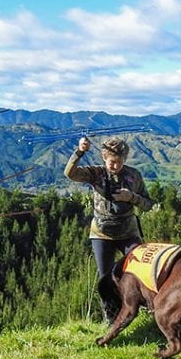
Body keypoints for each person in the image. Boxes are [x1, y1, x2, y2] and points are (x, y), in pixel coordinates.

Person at [64, 137, 153, 321]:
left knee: (142, 269)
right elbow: (70, 174)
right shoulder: (96, 173)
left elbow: (148, 204)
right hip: (101, 233)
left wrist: (131, 198)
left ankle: (147, 309)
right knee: (105, 277)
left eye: (120, 162)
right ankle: (111, 318)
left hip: (128, 231)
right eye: (112, 162)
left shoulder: (134, 176)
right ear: (104, 158)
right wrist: (80, 152)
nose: (115, 166)